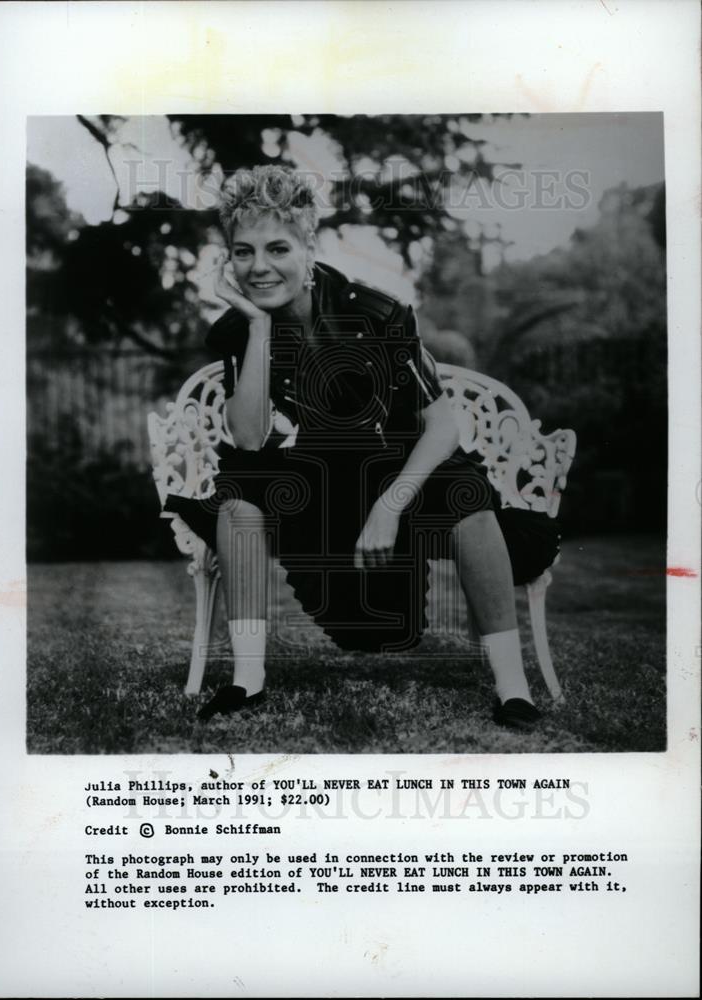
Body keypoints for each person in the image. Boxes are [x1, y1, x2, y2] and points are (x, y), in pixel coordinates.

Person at [166, 164, 560, 732]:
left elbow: (443, 428)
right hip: (325, 477)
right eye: (243, 252)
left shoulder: (376, 311)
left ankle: (513, 688)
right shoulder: (236, 329)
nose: (259, 267)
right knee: (239, 499)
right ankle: (245, 681)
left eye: (278, 248)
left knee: (468, 494)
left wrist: (391, 504)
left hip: (404, 470)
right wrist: (256, 327)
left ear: (309, 245)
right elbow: (250, 438)